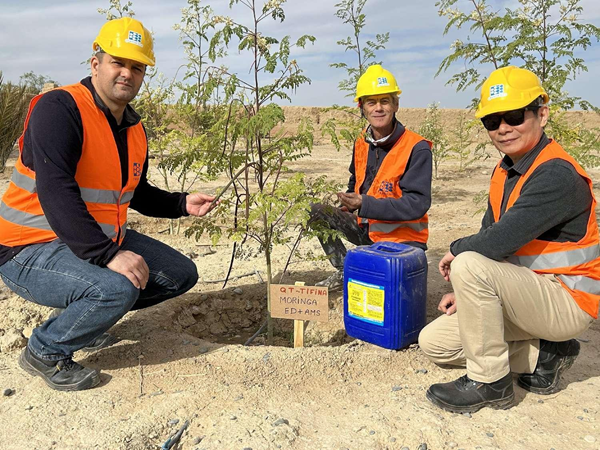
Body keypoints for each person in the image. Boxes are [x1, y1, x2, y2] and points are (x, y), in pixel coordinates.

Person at [0, 18, 217, 391]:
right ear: (95, 63)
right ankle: (45, 350)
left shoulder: (133, 128)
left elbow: (137, 192)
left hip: (87, 240)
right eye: (118, 62)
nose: (127, 73)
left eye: (137, 67)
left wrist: (182, 204)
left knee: (179, 274)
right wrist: (109, 255)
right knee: (117, 287)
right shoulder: (60, 108)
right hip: (27, 247)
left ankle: (82, 319)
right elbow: (56, 189)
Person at [419, 66, 599, 414]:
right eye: (492, 121)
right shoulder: (505, 171)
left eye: (515, 116)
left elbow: (496, 243)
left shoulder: (556, 174)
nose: (503, 128)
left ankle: (490, 383)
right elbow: (490, 240)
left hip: (567, 301)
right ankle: (545, 355)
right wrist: (468, 293)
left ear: (541, 114)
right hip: (527, 295)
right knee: (435, 343)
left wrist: (456, 252)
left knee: (468, 261)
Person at [311, 65, 432, 289]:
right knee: (315, 212)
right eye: (371, 102)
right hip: (367, 229)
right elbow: (355, 180)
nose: (378, 108)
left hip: (402, 241)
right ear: (362, 107)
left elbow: (417, 204)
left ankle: (366, 267)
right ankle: (343, 270)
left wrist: (364, 204)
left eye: (385, 101)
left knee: (378, 286)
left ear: (395, 105)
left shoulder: (417, 147)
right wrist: (348, 203)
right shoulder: (361, 142)